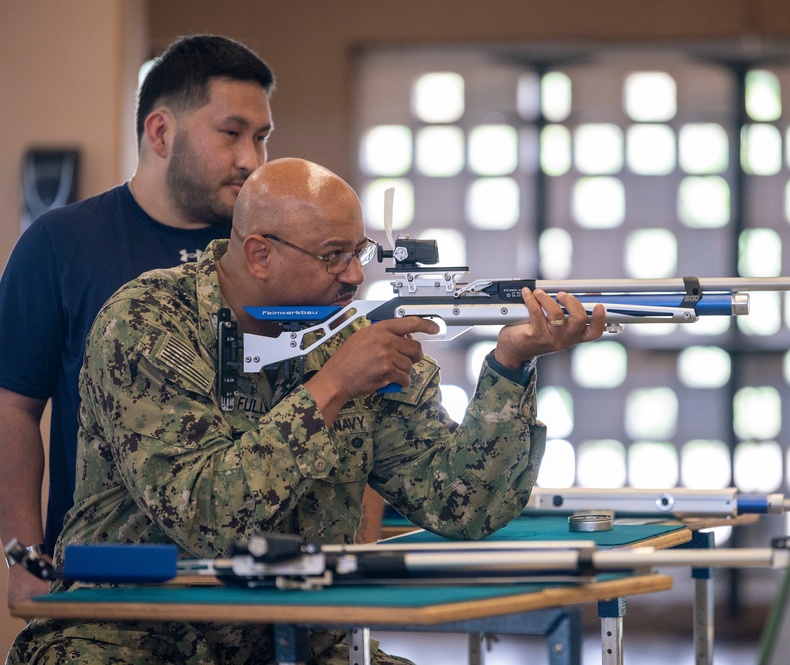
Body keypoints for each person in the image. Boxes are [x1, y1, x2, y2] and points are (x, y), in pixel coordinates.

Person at [8, 157, 607, 664]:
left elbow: (464, 504)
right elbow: (204, 516)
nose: (353, 275)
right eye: (333, 255)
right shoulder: (148, 322)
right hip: (133, 632)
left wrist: (510, 366)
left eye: (360, 251)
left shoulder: (347, 332)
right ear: (260, 254)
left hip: (301, 636)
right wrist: (332, 386)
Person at [0, 34, 274, 614]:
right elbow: (13, 407)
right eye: (231, 133)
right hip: (108, 577)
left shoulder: (266, 253)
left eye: (261, 138)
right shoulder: (59, 244)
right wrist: (23, 556)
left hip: (252, 580)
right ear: (160, 132)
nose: (251, 159)